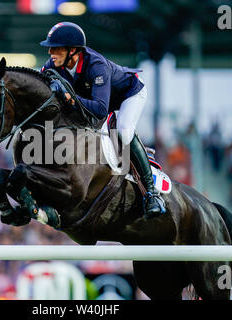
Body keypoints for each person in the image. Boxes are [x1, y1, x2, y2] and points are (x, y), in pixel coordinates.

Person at [40, 22, 165, 218]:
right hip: (99, 100)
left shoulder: (96, 65)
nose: (50, 52)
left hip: (129, 94)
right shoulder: (52, 66)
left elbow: (99, 110)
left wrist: (70, 97)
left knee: (123, 131)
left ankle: (151, 193)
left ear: (73, 50)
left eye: (56, 47)